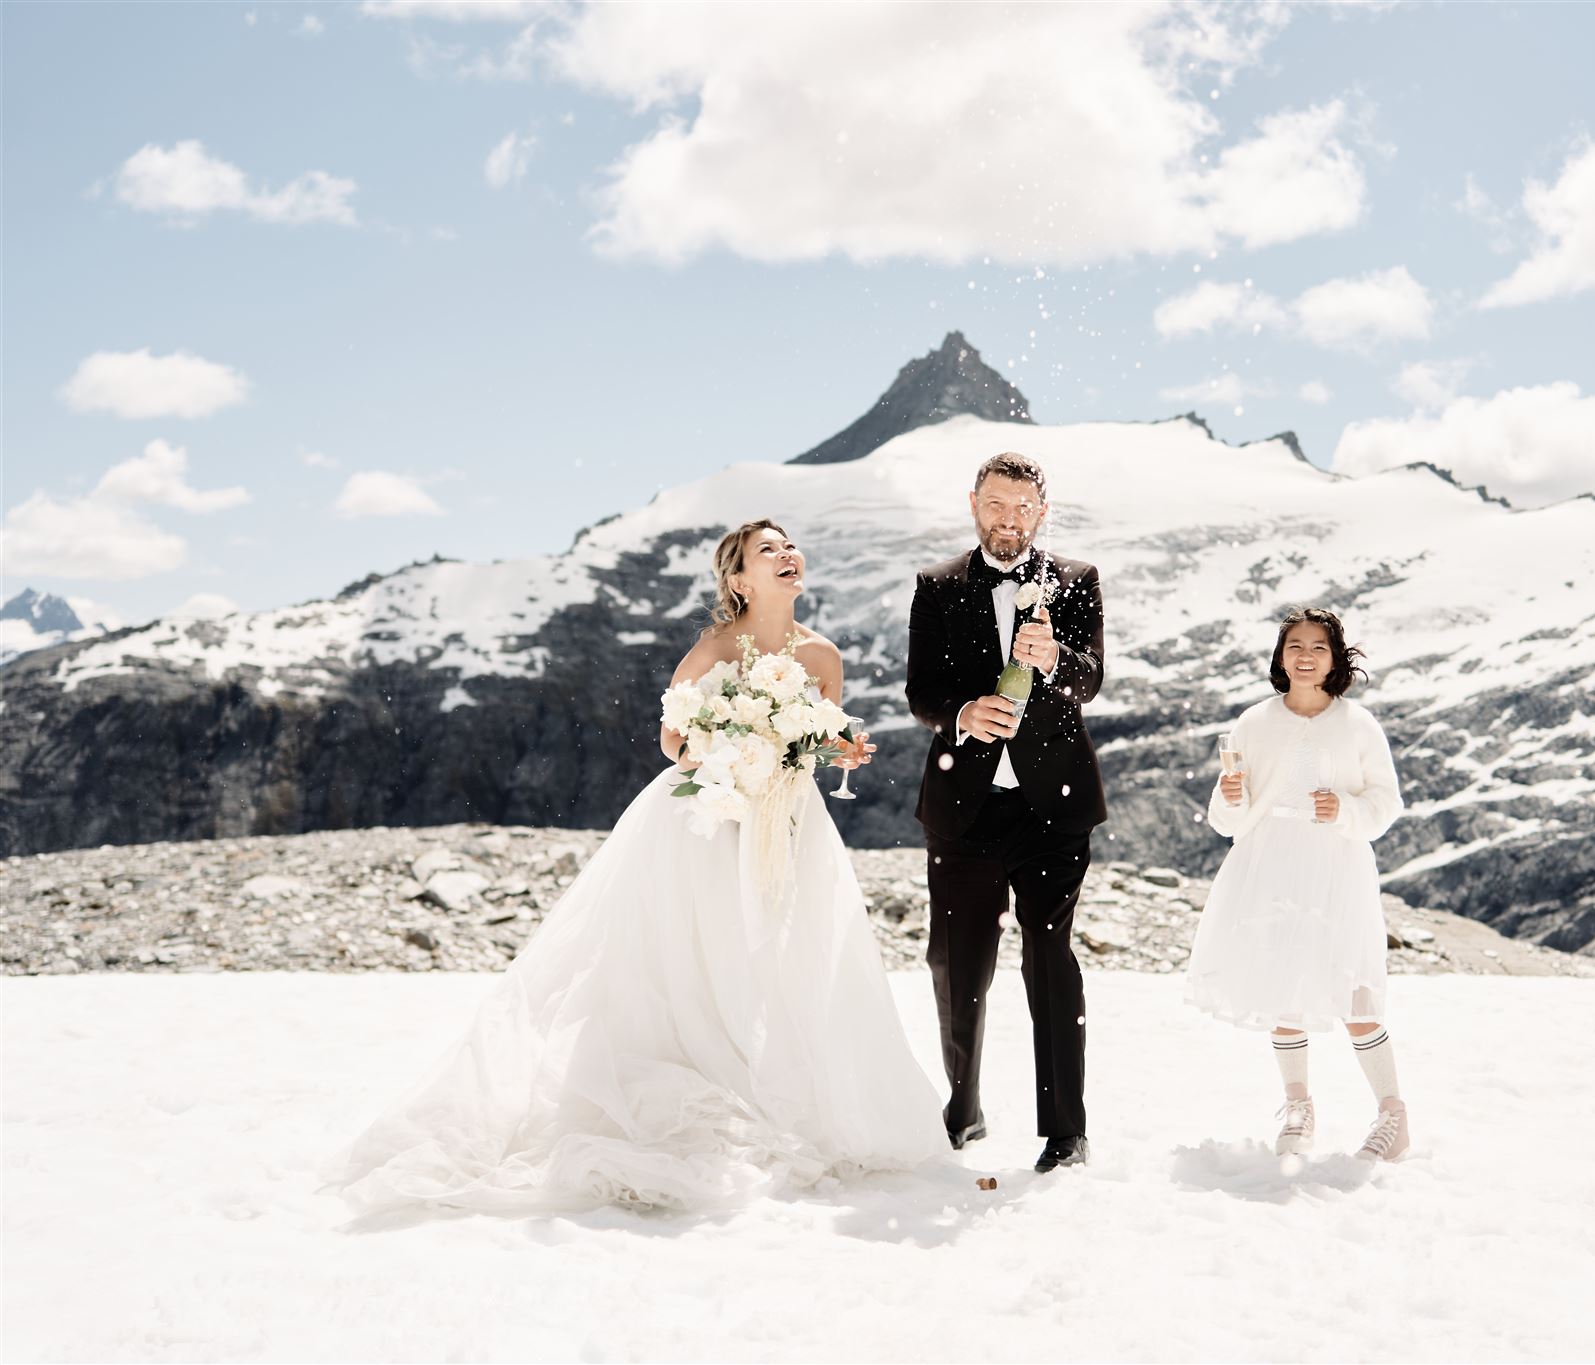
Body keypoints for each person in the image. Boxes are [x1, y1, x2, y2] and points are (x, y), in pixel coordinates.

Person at [323, 518, 951, 1215]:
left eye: (789, 546)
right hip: (708, 820)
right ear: (738, 578)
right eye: (767, 550)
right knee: (702, 956)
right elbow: (674, 732)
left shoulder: (823, 654)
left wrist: (839, 751)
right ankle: (702, 1077)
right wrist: (729, 744)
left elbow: (822, 736)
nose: (786, 555)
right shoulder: (717, 644)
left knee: (790, 955)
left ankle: (789, 1086)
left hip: (787, 821)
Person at [904, 452, 1106, 1173]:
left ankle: (1066, 1130)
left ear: (1042, 511)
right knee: (957, 966)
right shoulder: (937, 585)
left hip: (1055, 809)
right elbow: (921, 691)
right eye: (996, 504)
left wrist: (1054, 658)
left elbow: (1092, 680)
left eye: (1022, 507)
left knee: (1050, 960)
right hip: (964, 809)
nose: (1009, 519)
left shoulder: (1077, 582)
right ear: (973, 504)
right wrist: (963, 711)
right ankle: (962, 1107)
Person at [1187, 606, 1409, 1161]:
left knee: (1356, 993)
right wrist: (1230, 799)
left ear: (1335, 659)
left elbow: (1385, 802)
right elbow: (1228, 817)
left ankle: (1393, 1114)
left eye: (1317, 647)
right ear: (1280, 656)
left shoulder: (1358, 724)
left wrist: (1345, 810)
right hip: (1269, 866)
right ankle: (1299, 1107)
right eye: (1295, 646)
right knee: (1280, 989)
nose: (1305, 657)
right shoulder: (1254, 722)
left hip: (1337, 866)